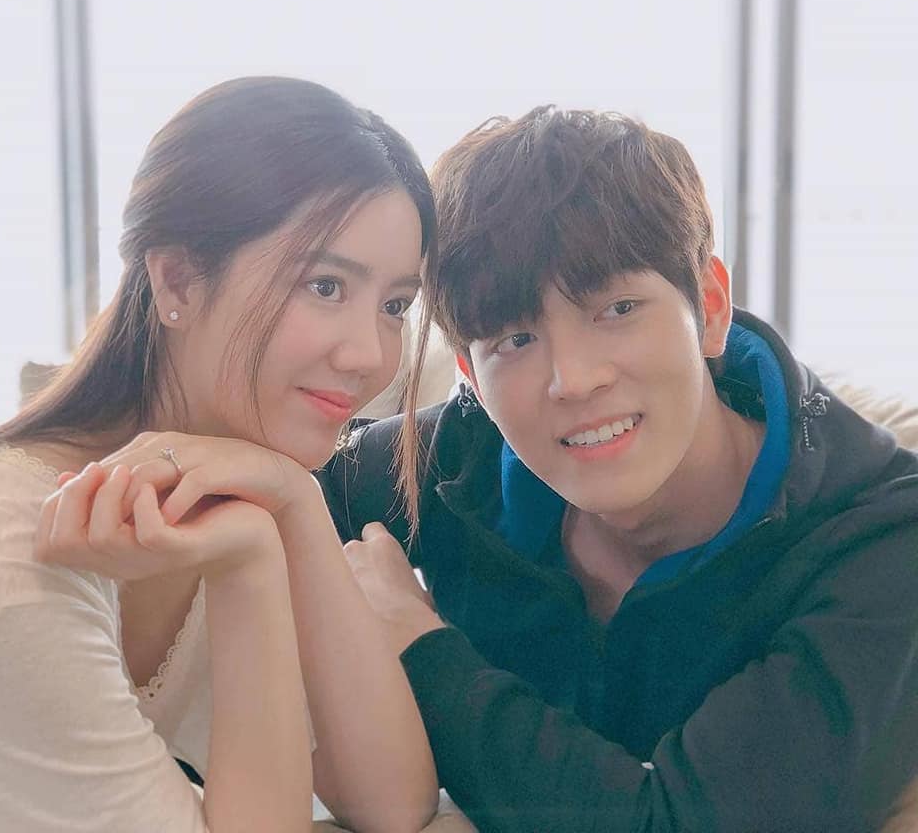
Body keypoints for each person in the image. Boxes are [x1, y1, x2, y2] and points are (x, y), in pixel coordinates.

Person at [321, 107, 918, 833]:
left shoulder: (882, 545)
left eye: (618, 308)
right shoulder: (464, 457)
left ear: (710, 306)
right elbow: (287, 487)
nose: (573, 380)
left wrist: (421, 650)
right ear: (472, 379)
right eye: (515, 339)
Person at [0, 76, 439, 833]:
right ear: (177, 278)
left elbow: (392, 803)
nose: (370, 355)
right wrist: (250, 561)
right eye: (324, 286)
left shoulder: (235, 484)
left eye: (395, 306)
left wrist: (294, 504)